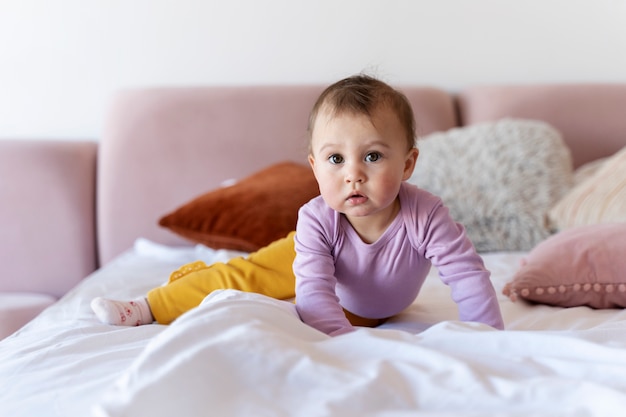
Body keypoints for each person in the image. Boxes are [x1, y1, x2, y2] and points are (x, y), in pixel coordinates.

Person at [91, 74, 504, 335]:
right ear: (315, 166)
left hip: (370, 310)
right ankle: (152, 305)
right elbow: (313, 290)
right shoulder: (317, 220)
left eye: (373, 156)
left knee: (278, 308)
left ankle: (183, 289)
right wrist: (338, 342)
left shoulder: (426, 215)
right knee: (247, 279)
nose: (353, 174)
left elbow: (466, 274)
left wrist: (486, 340)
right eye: (335, 159)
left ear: (408, 163)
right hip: (314, 264)